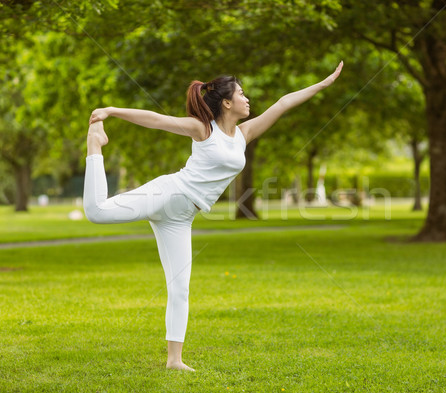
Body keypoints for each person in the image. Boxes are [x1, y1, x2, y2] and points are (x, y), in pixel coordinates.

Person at [84, 61, 343, 371]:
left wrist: (322, 84)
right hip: (170, 193)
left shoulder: (244, 134)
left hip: (182, 218)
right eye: (242, 93)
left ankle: (174, 361)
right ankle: (95, 144)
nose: (248, 99)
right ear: (227, 102)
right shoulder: (203, 129)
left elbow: (283, 103)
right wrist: (112, 111)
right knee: (97, 212)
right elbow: (156, 119)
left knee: (180, 287)